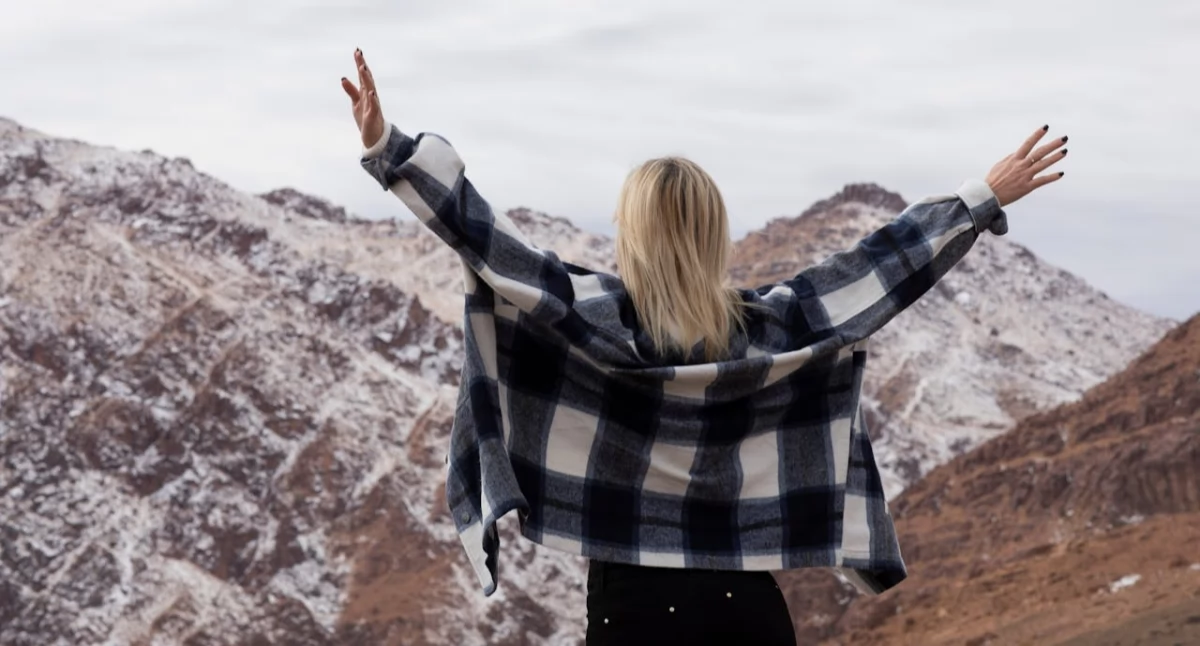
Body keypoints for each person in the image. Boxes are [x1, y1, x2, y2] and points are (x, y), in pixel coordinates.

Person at [340, 49, 1066, 646]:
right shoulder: (768, 329)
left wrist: (389, 150)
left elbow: (487, 242)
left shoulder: (594, 320)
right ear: (712, 232)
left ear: (633, 234)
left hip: (633, 611)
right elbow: (873, 274)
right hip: (747, 612)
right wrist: (979, 198)